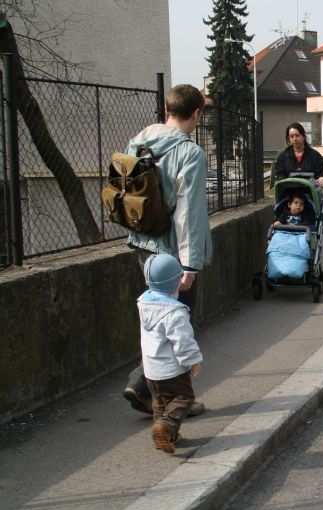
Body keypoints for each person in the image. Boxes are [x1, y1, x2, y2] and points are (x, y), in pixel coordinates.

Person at [122, 84, 212, 417]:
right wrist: (190, 265)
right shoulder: (190, 153)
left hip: (142, 244)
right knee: (177, 327)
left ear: (167, 109)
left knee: (152, 321)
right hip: (173, 254)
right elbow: (189, 214)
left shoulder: (139, 140)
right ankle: (171, 402)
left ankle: (143, 386)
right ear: (197, 114)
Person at [138, 254, 204, 454]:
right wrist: (193, 361)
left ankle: (168, 436)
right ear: (176, 282)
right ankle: (165, 427)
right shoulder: (175, 313)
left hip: (150, 369)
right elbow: (183, 341)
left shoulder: (144, 303)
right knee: (184, 397)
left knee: (161, 402)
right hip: (172, 369)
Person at [272, 122, 323, 232]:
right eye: (291, 136)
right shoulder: (283, 156)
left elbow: (321, 173)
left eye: (297, 135)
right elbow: (280, 175)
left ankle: (317, 226)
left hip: (309, 192)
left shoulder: (315, 156)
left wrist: (321, 178)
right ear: (288, 139)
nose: (295, 139)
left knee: (318, 199)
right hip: (290, 192)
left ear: (303, 136)